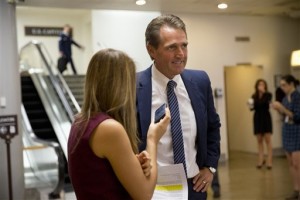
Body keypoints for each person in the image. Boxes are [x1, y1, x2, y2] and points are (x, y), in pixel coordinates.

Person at [136, 14, 221, 199]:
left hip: (194, 187)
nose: (181, 54)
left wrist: (210, 167)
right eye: (171, 47)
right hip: (153, 189)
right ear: (151, 50)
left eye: (184, 45)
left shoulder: (200, 81)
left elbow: (213, 128)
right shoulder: (132, 87)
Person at [67, 48, 171, 200]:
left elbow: (97, 173)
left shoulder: (81, 121)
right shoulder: (109, 129)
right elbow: (145, 194)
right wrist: (152, 139)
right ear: (120, 86)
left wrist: (132, 162)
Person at [272, 75, 300, 200]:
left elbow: (297, 116)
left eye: (284, 85)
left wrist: (282, 108)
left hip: (296, 130)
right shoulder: (284, 98)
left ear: (291, 84)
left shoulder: (297, 97)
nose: (282, 88)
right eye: (281, 85)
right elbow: (285, 115)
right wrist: (279, 109)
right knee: (290, 163)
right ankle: (296, 189)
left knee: (297, 163)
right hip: (287, 130)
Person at [249, 79, 273, 169]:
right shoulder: (254, 96)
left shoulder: (268, 95)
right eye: (259, 84)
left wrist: (264, 93)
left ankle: (269, 161)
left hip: (266, 117)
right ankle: (261, 159)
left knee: (268, 140)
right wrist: (249, 104)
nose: (261, 86)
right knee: (259, 140)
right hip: (257, 118)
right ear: (257, 86)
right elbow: (252, 108)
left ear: (265, 86)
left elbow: (267, 104)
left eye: (263, 84)